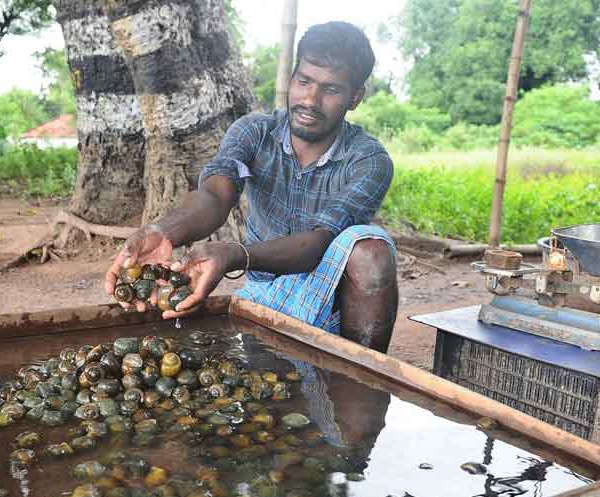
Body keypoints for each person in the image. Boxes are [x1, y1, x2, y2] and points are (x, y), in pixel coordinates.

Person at [105, 21, 398, 353]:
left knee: (370, 251)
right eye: (304, 82)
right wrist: (163, 231)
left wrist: (236, 254)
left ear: (355, 97)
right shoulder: (254, 132)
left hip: (332, 305)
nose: (310, 100)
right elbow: (216, 196)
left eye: (331, 90)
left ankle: (361, 378)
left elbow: (318, 243)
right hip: (264, 296)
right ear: (292, 78)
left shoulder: (368, 160)